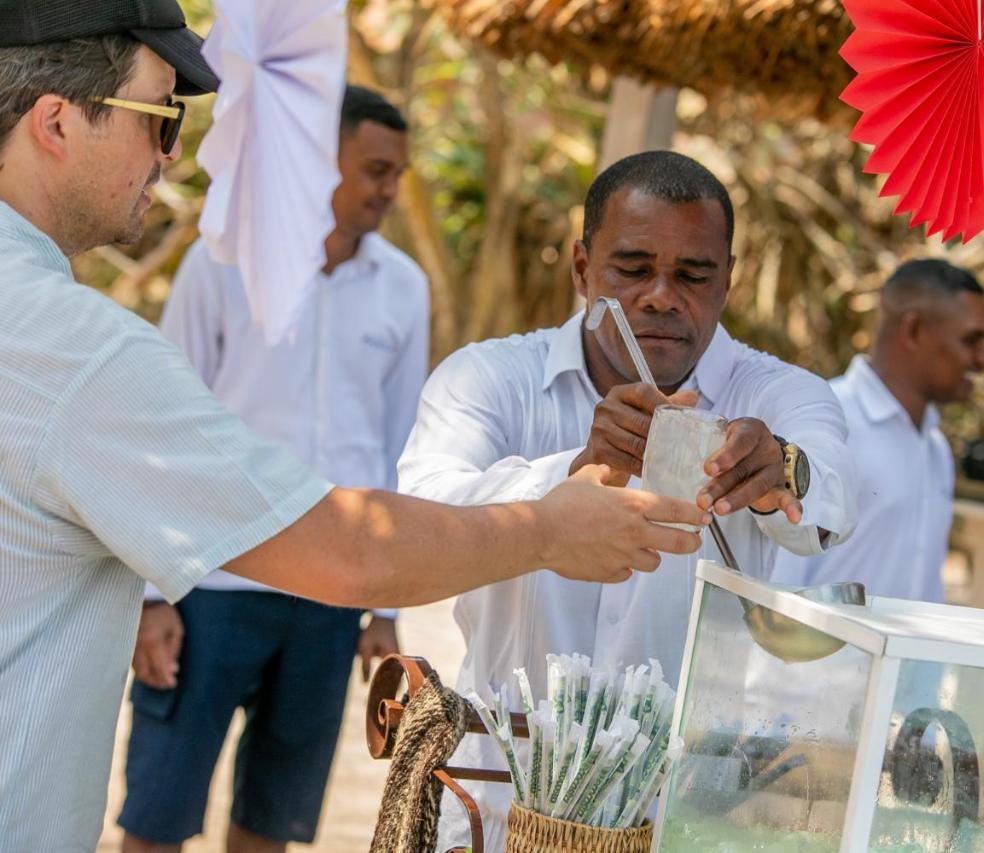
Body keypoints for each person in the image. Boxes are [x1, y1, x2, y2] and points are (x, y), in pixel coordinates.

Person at [0, 3, 706, 849]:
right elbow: (351, 549)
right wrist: (549, 527)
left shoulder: (392, 286)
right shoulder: (75, 347)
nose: (173, 153)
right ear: (54, 121)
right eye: (162, 116)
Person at [396, 150, 858, 851]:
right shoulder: (488, 379)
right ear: (584, 270)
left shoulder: (779, 398)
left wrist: (778, 470)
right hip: (496, 806)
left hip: (678, 817)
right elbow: (416, 522)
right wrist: (576, 469)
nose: (661, 296)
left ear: (727, 280)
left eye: (692, 275)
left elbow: (832, 504)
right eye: (633, 270)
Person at [118, 85, 427, 852]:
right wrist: (152, 594)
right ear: (324, 162)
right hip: (210, 588)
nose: (391, 190)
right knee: (157, 815)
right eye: (377, 170)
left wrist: (385, 608)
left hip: (329, 596)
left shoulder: (404, 289)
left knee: (272, 824)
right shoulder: (223, 261)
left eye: (397, 173)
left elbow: (396, 449)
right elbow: (163, 425)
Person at [773, 259, 984, 602]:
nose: (983, 359)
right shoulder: (826, 423)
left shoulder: (936, 448)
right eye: (971, 340)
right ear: (914, 330)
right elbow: (777, 583)